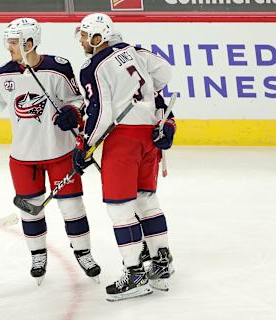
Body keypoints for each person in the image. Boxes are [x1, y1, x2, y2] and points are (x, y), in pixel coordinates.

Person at [0, 18, 101, 285]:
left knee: (72, 207)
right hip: (24, 158)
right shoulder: (4, 73)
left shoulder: (57, 68)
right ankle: (38, 255)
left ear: (29, 42)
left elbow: (78, 101)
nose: (9, 47)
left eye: (14, 42)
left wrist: (72, 112)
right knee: (30, 211)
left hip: (60, 152)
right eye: (9, 42)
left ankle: (83, 252)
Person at [73, 13, 175, 301]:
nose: (81, 40)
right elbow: (164, 75)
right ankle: (161, 262)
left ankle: (135, 274)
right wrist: (160, 114)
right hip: (149, 135)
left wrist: (85, 144)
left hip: (124, 141)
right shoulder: (135, 51)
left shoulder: (92, 65)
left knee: (120, 208)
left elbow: (101, 110)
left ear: (97, 37)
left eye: (84, 35)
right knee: (146, 200)